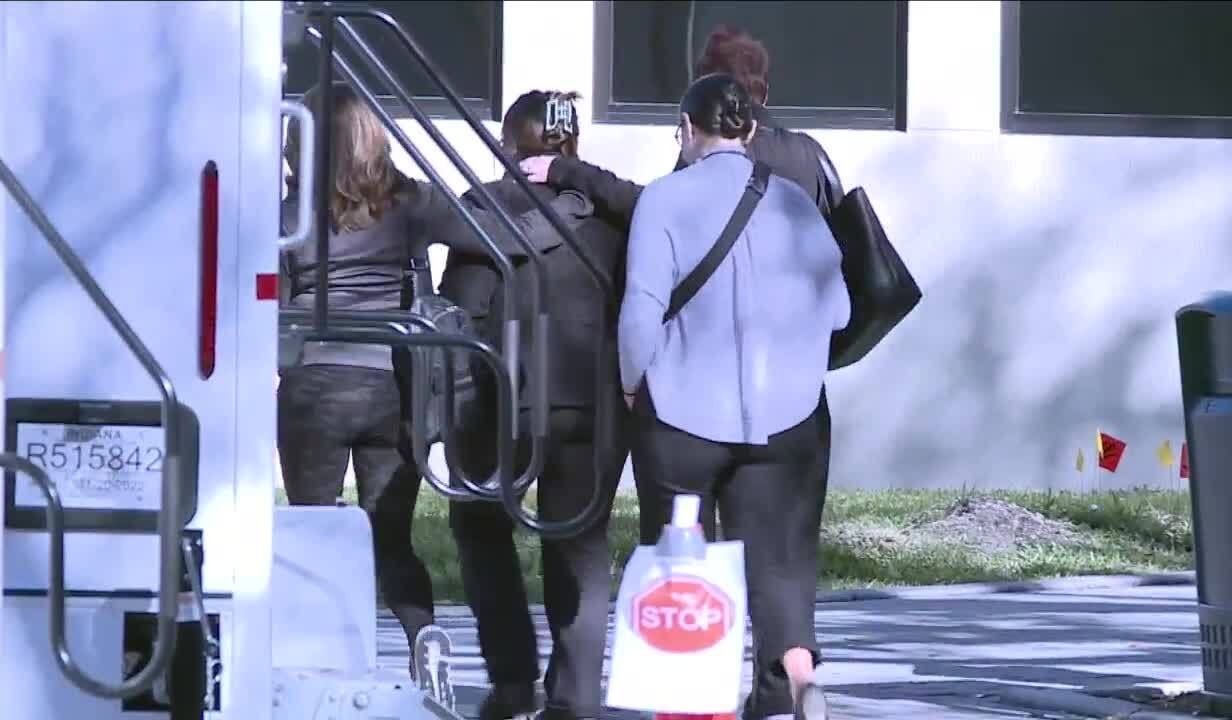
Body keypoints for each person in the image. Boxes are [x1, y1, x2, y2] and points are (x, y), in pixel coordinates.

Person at [276, 82, 582, 672]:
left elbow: (277, 307)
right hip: (393, 386)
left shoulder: (288, 216)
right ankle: (422, 634)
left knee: (311, 525)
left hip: (313, 387)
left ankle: (316, 661)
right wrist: (565, 209)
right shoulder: (409, 203)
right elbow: (498, 238)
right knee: (389, 534)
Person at [618, 74, 850, 720]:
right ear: (748, 129)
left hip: (682, 418)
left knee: (682, 554)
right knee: (778, 557)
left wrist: (633, 378)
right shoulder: (796, 203)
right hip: (787, 416)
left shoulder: (662, 201)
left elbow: (641, 315)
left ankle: (691, 697)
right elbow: (838, 309)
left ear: (689, 130)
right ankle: (796, 679)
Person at [440, 90, 631, 720]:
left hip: (497, 397)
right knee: (580, 541)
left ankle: (513, 680)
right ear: (570, 146)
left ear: (508, 144)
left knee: (480, 527)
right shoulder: (611, 218)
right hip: (589, 402)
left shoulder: (479, 211)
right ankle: (576, 693)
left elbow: (462, 313)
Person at [520, 25, 842, 228]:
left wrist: (566, 170)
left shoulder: (713, 151)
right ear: (766, 92)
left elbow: (652, 210)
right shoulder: (811, 153)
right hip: (804, 331)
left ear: (706, 91)